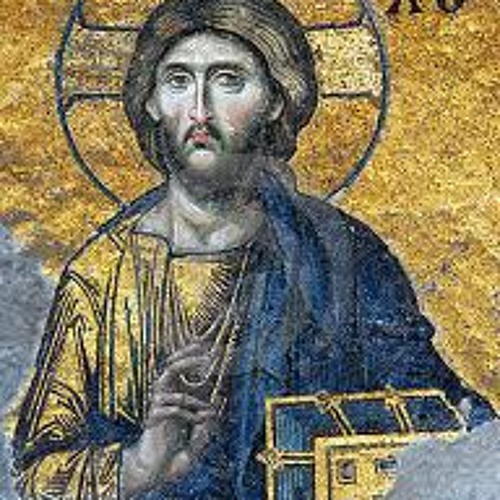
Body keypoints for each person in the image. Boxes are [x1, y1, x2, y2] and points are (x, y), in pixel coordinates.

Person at [12, 0, 496, 498]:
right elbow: (34, 476)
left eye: (228, 80)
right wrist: (142, 463)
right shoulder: (101, 276)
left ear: (276, 98)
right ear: (151, 101)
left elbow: (446, 420)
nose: (200, 110)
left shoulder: (344, 257)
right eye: (178, 81)